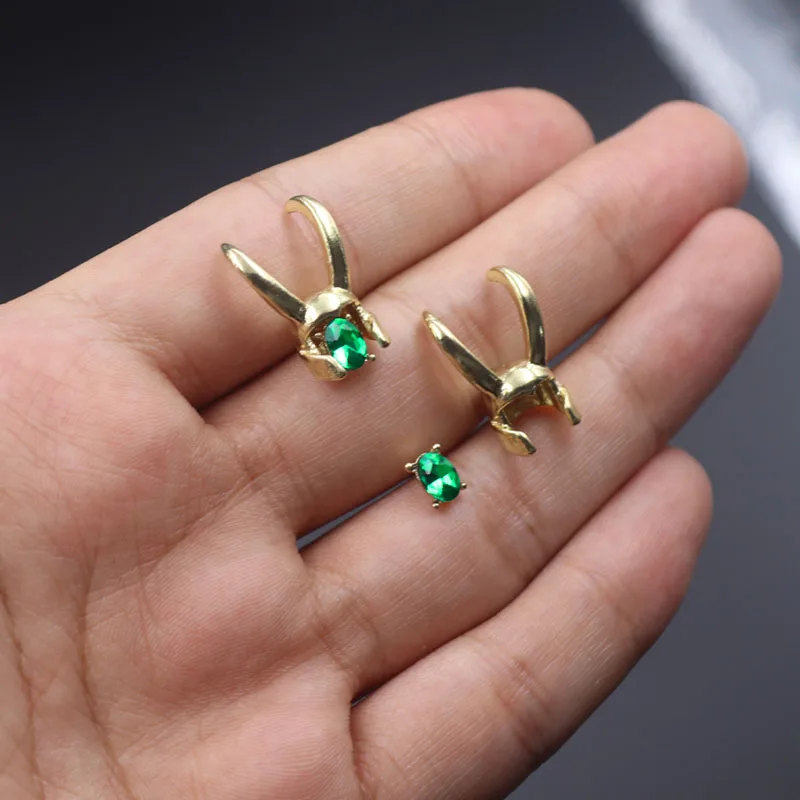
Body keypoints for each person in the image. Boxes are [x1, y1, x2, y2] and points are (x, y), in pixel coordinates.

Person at [0, 89, 780, 799]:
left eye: (356, 334)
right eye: (343, 340)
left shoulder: (469, 378)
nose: (355, 345)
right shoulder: (354, 350)